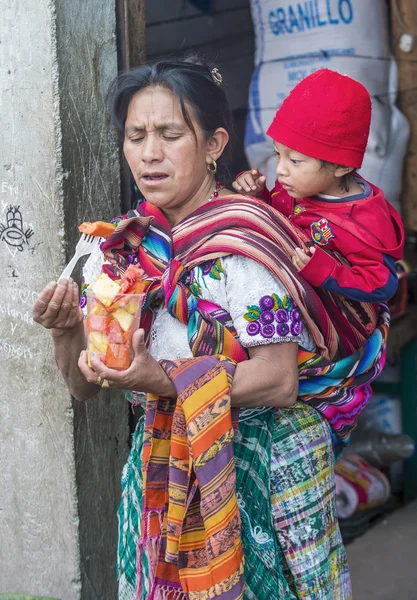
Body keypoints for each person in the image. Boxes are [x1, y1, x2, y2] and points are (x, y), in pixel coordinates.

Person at [33, 58, 387, 600]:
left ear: (215, 144)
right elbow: (84, 387)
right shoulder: (127, 252)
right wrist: (66, 334)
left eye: (170, 135)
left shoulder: (249, 242)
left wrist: (167, 380)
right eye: (135, 136)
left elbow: (278, 380)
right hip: (163, 473)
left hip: (264, 477)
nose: (149, 153)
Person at [233, 69, 404, 303]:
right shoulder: (297, 186)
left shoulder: (363, 223)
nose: (281, 168)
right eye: (277, 154)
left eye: (294, 160)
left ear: (340, 166)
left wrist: (326, 270)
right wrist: (258, 195)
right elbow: (278, 216)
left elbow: (381, 284)